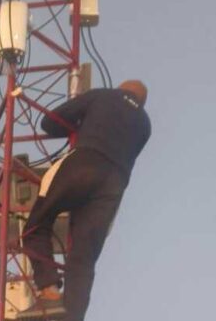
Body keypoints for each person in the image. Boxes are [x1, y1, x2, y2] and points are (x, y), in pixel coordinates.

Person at [18, 80, 152, 321]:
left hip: (83, 163)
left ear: (120, 88)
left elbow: (49, 122)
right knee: (84, 256)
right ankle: (72, 315)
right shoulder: (145, 125)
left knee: (36, 225)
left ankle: (49, 292)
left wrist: (81, 125)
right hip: (114, 185)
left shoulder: (102, 96)